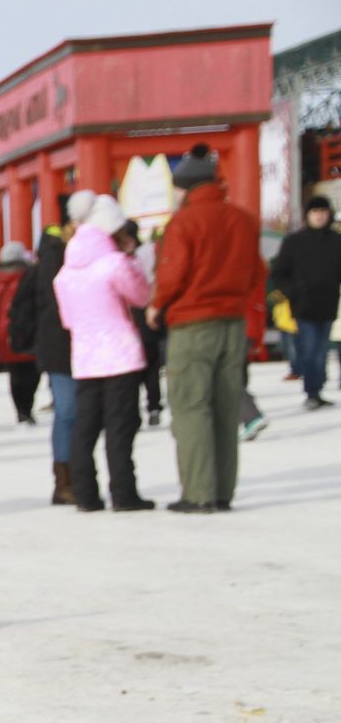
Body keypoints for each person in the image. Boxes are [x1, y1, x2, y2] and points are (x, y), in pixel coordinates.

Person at [150, 145, 269, 513]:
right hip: (232, 322)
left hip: (191, 322)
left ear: (184, 187)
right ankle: (222, 491)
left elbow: (173, 272)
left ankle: (198, 493)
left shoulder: (183, 222)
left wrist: (157, 305)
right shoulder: (242, 219)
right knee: (224, 403)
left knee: (191, 406)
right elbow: (258, 271)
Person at [52, 195, 154, 511]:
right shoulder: (114, 263)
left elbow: (68, 319)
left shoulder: (66, 272)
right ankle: (123, 493)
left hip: (85, 357)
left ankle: (85, 494)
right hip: (120, 354)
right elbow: (141, 295)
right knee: (119, 429)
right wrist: (131, 258)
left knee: (85, 430)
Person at [10, 197, 78, 501]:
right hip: (68, 344)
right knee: (71, 413)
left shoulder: (38, 265)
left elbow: (19, 309)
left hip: (51, 347)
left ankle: (65, 479)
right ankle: (72, 479)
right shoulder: (68, 259)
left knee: (66, 413)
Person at [270, 195, 339, 408]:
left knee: (321, 351)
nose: (319, 216)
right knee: (309, 350)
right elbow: (279, 273)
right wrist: (293, 292)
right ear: (308, 215)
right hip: (303, 305)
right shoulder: (294, 242)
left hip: (328, 303)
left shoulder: (337, 241)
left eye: (323, 212)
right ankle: (312, 391)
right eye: (315, 212)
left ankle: (317, 388)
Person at [0, 241, 36, 423]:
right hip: (28, 329)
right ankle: (27, 407)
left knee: (15, 374)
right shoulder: (29, 275)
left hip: (4, 331)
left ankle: (21, 410)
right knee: (30, 371)